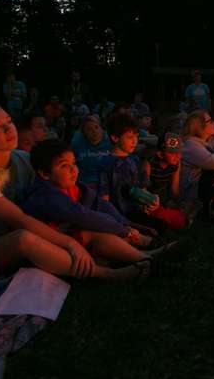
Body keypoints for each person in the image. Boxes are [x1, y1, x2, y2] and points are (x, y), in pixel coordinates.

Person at [0, 102, 137, 280]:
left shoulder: (21, 159)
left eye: (9, 122)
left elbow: (57, 192)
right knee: (24, 238)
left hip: (19, 229)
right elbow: (20, 220)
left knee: (80, 227)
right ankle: (103, 273)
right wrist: (69, 243)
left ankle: (142, 256)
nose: (9, 129)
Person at [22, 140, 174, 269]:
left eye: (73, 163)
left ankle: (145, 248)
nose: (73, 169)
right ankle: (146, 258)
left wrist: (124, 225)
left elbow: (101, 205)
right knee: (95, 233)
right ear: (45, 174)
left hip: (68, 236)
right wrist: (122, 230)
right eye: (64, 166)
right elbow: (84, 216)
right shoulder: (46, 196)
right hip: (48, 247)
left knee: (105, 228)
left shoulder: (74, 187)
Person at [99, 113, 186, 232]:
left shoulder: (135, 160)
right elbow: (105, 197)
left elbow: (142, 187)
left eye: (136, 136)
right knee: (158, 227)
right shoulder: (107, 163)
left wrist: (152, 200)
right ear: (115, 138)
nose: (135, 141)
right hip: (120, 213)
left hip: (138, 209)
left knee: (173, 221)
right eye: (130, 137)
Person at [71, 115, 111, 189]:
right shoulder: (77, 144)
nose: (94, 131)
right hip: (85, 184)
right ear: (84, 133)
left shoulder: (110, 142)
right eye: (89, 129)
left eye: (96, 127)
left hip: (107, 184)